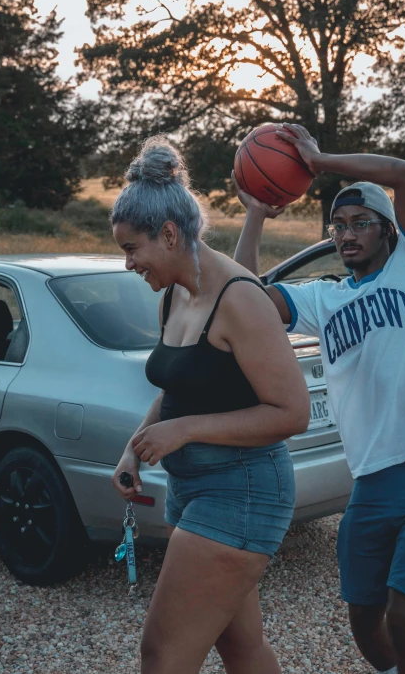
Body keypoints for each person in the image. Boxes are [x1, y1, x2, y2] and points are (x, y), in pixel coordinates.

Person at [233, 123, 405, 674]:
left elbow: (404, 175)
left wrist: (317, 160)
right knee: (364, 620)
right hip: (369, 479)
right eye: (337, 226)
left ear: (388, 231)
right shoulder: (324, 299)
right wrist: (256, 213)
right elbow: (242, 295)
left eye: (360, 223)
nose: (347, 234)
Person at [111, 136, 310, 674]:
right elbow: (177, 389)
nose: (129, 263)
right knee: (240, 648)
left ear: (170, 234)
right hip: (193, 491)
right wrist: (135, 447)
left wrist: (186, 432)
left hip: (242, 493)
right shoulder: (174, 292)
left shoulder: (240, 299)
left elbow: (292, 413)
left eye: (132, 249)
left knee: (162, 655)